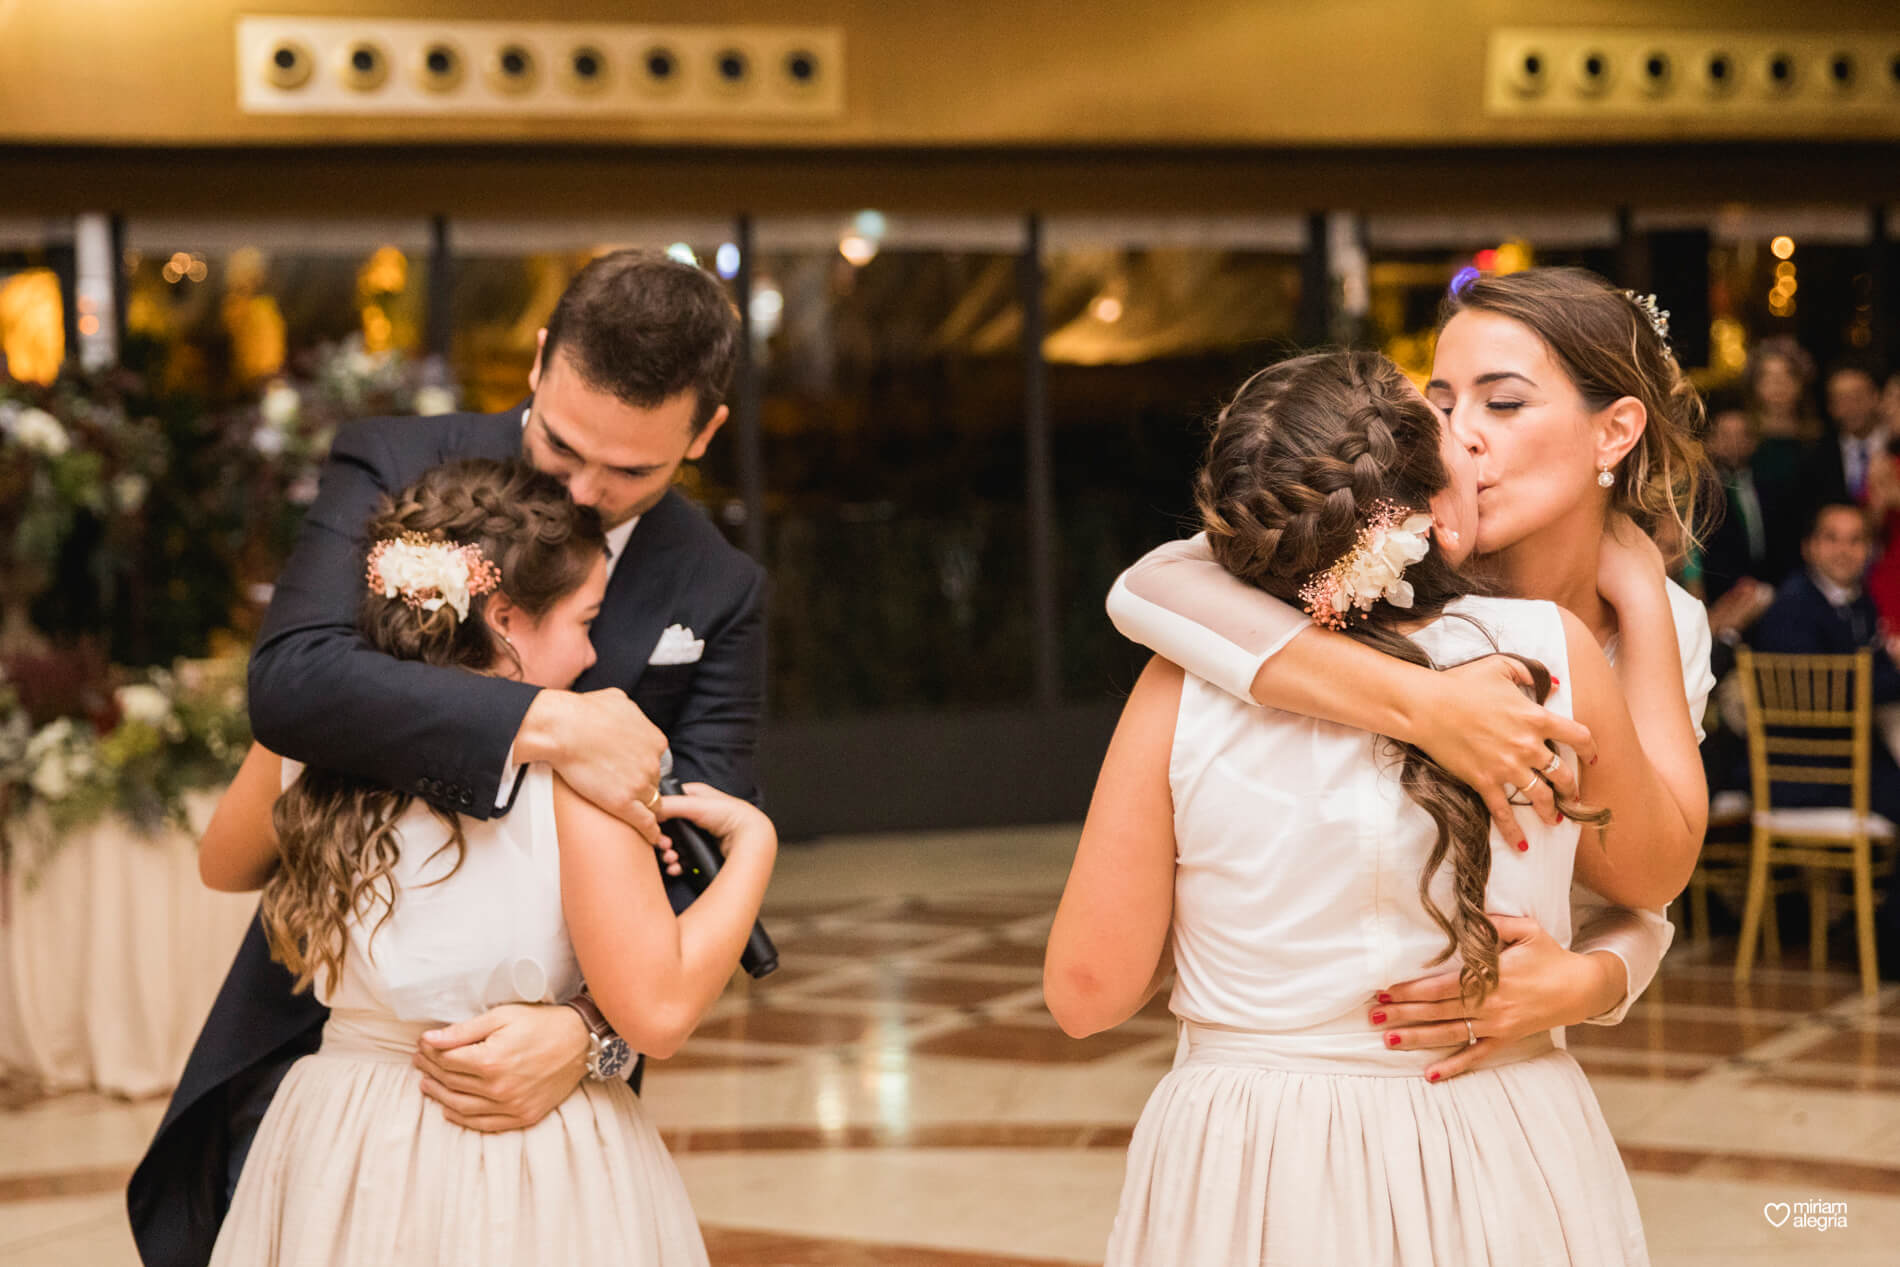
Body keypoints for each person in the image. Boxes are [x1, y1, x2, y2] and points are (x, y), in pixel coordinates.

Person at [129, 251, 766, 1267]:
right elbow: (295, 680)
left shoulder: (717, 584)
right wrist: (549, 723)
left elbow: (697, 834)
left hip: (543, 1087)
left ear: (704, 434)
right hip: (325, 1035)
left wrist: (590, 1031)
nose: (586, 493)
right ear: (541, 361)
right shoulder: (399, 471)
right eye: (563, 446)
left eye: (634, 471)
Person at [1048, 351, 1700, 1264]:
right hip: (1493, 1131)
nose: (1471, 436)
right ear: (1434, 512)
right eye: (1443, 419)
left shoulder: (1180, 681)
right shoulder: (1548, 653)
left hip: (1249, 1158)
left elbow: (1086, 993)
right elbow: (1653, 871)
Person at [1104, 267, 1712, 1081]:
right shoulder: (1378, 571)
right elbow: (1146, 585)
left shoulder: (1667, 629)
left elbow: (1648, 878)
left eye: (1502, 403)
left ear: (1616, 431)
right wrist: (1429, 704)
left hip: (1484, 1072)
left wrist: (1594, 979)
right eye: (1444, 401)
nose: (1460, 435)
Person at [1744, 336, 1822, 583]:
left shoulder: (1817, 440)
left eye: (1787, 376)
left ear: (1801, 383)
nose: (1778, 385)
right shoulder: (1740, 439)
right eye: (1767, 377)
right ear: (1754, 385)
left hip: (1808, 565)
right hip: (1750, 565)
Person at [1806, 357, 1889, 509]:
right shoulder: (1817, 454)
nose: (1850, 407)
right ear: (1830, 407)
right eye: (1841, 399)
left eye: (1857, 397)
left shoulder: (1894, 444)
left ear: (1876, 397)